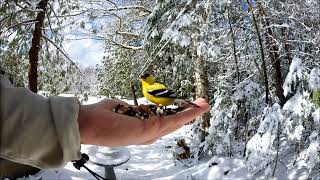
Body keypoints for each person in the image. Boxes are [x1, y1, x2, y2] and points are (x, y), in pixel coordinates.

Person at [0, 73, 209, 178]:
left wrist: (79, 121)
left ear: (149, 79)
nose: (144, 80)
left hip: (166, 102)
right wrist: (82, 121)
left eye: (145, 77)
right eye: (144, 78)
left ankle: (168, 109)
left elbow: (167, 96)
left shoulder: (153, 87)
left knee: (161, 108)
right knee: (156, 110)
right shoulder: (150, 88)